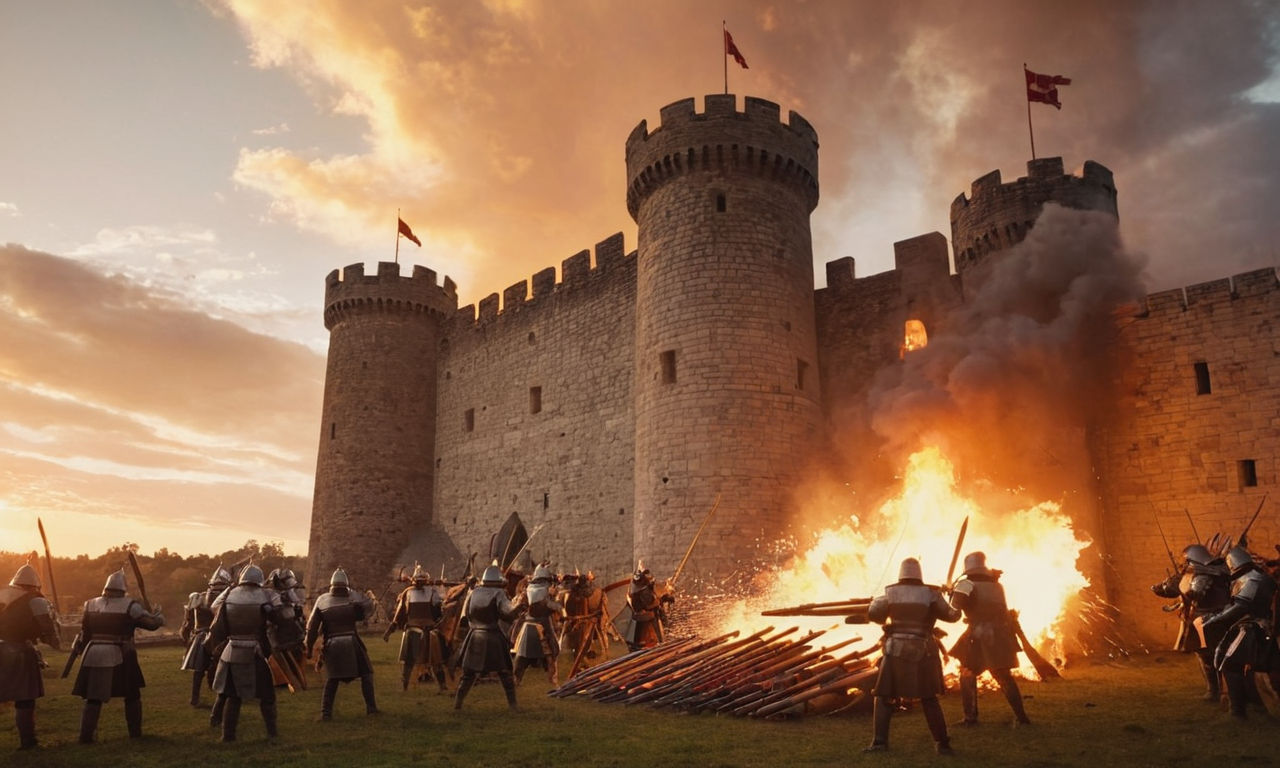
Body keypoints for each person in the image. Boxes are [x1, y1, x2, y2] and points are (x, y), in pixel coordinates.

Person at [863, 557, 960, 755]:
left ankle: (880, 743)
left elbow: (874, 614)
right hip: (923, 649)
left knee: (883, 696)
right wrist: (953, 596)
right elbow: (953, 616)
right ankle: (942, 744)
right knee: (929, 699)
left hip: (894, 649)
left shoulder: (890, 593)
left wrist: (876, 603)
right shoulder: (932, 594)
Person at [70, 568, 165, 743]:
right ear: (123, 588)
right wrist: (158, 617)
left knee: (93, 697)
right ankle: (135, 734)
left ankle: (86, 736)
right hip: (121, 653)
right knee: (132, 694)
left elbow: (85, 632)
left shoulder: (90, 604)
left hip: (93, 653)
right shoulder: (131, 606)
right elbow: (151, 625)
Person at [206, 564, 289, 742]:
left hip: (231, 650)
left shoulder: (228, 594)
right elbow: (283, 618)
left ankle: (228, 736)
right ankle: (272, 734)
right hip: (255, 652)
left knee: (233, 697)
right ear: (259, 579)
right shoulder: (267, 594)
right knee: (267, 695)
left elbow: (215, 611)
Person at [948, 552, 1031, 726]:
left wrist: (950, 593)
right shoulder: (997, 585)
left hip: (978, 635)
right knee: (1003, 675)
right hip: (1001, 632)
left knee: (967, 673)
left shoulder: (965, 584)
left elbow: (953, 612)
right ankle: (1021, 717)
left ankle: (970, 718)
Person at [1198, 546, 1278, 719]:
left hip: (1251, 628)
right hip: (1260, 628)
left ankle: (1238, 711)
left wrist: (1215, 619)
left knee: (1230, 664)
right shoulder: (1258, 576)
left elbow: (1241, 606)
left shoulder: (1251, 579)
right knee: (1249, 668)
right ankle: (1257, 706)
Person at [1150, 543, 1231, 701]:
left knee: (1216, 656)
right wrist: (1164, 588)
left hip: (1212, 619)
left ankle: (1225, 692)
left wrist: (1180, 587)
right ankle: (1212, 690)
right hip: (1200, 619)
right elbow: (1178, 589)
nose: (1185, 562)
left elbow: (1195, 593)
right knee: (1204, 655)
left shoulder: (1208, 574)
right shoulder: (1197, 572)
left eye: (1187, 559)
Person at [0, 563, 61, 749]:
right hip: (18, 651)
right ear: (35, 585)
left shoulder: (3, 596)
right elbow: (47, 629)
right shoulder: (35, 600)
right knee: (24, 699)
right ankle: (28, 741)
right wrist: (58, 643)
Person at [305, 567, 379, 720]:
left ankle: (326, 713)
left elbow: (312, 628)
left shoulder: (322, 600)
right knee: (366, 674)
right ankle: (371, 709)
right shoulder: (353, 598)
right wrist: (370, 600)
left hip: (332, 644)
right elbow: (364, 613)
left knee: (332, 679)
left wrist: (309, 648)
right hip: (352, 641)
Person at [454, 561, 519, 711]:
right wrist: (519, 606)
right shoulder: (499, 593)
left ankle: (458, 703)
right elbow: (507, 613)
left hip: (475, 635)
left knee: (468, 674)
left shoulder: (473, 592)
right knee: (505, 672)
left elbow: (467, 616)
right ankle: (513, 705)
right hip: (493, 636)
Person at [383, 564, 450, 693]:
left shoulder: (427, 592)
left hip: (427, 630)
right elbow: (399, 615)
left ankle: (442, 686)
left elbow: (439, 612)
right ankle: (405, 687)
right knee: (409, 662)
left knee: (435, 661)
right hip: (415, 630)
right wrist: (389, 631)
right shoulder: (410, 593)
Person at [180, 564, 231, 708]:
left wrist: (185, 636)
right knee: (221, 667)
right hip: (217, 638)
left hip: (201, 636)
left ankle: (195, 698)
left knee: (200, 670)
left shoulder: (198, 597)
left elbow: (188, 622)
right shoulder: (226, 598)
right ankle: (220, 697)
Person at [512, 564, 565, 686]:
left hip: (528, 624)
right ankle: (553, 681)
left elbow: (518, 604)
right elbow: (553, 606)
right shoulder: (548, 589)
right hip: (543, 624)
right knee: (552, 651)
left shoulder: (528, 588)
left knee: (522, 656)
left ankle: (516, 680)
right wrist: (559, 605)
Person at [559, 569, 614, 677]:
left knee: (584, 650)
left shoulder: (569, 594)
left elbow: (567, 609)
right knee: (586, 650)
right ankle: (584, 669)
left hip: (582, 624)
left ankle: (586, 670)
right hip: (589, 624)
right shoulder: (598, 592)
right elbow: (603, 610)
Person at [266, 568, 308, 690]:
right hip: (274, 628)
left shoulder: (287, 592)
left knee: (287, 657)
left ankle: (295, 683)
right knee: (278, 657)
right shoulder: (268, 592)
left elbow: (297, 604)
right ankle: (288, 683)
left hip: (283, 629)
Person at [624, 561, 672, 652]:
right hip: (646, 617)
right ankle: (658, 643)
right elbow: (650, 604)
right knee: (655, 638)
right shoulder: (643, 591)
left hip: (641, 616)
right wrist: (662, 599)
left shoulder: (637, 589)